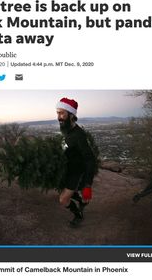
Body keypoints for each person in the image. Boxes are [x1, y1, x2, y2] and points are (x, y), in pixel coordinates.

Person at [56, 97, 96, 227]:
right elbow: (66, 146)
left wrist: (87, 186)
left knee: (63, 199)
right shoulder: (66, 130)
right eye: (58, 113)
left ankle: (78, 214)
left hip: (76, 172)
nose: (59, 117)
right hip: (67, 168)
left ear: (71, 115)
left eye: (62, 113)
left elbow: (90, 160)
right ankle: (80, 201)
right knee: (62, 191)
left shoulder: (79, 135)